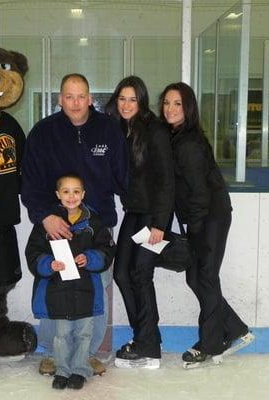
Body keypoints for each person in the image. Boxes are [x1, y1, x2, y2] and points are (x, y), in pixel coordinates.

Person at [21, 73, 128, 375]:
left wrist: (150, 212)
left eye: (81, 96)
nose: (76, 102)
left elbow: (125, 179)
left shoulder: (108, 130)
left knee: (94, 291)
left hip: (96, 227)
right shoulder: (43, 133)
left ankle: (88, 353)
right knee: (55, 290)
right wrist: (45, 216)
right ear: (59, 99)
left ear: (90, 98)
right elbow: (29, 184)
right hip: (56, 227)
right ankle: (55, 355)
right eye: (69, 96)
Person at [159, 82, 254, 366]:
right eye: (166, 103)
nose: (170, 109)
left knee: (205, 276)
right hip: (200, 217)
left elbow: (199, 192)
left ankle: (211, 344)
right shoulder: (176, 137)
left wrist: (196, 229)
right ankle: (235, 328)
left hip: (209, 217)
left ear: (188, 108)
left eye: (177, 104)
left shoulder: (188, 144)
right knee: (194, 276)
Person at [104, 76, 174, 369]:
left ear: (142, 102)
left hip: (153, 217)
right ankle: (146, 337)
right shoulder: (120, 130)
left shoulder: (155, 131)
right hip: (134, 213)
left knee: (141, 275)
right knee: (122, 273)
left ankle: (149, 348)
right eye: (122, 98)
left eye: (133, 99)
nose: (126, 104)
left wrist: (160, 224)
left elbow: (166, 180)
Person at [25, 174, 115, 390]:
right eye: (66, 191)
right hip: (59, 291)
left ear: (83, 194)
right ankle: (63, 370)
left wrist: (90, 258)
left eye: (76, 191)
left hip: (86, 290)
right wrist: (49, 264)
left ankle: (79, 370)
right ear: (58, 195)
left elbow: (106, 250)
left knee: (84, 333)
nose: (71, 196)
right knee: (62, 334)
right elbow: (33, 252)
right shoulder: (47, 224)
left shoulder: (95, 223)